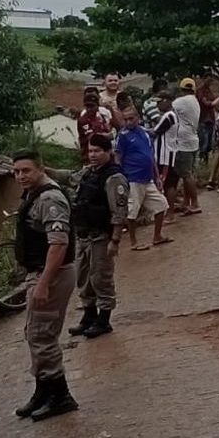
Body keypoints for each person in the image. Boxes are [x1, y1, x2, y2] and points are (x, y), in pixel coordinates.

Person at [11, 150, 78, 421]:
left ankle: (60, 396)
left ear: (40, 169)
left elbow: (58, 244)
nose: (20, 176)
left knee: (42, 335)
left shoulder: (50, 198)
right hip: (41, 273)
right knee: (34, 332)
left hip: (53, 274)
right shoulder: (33, 195)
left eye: (26, 170)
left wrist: (43, 283)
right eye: (16, 172)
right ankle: (43, 391)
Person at [65, 135, 128, 339]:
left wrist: (115, 240)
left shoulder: (114, 177)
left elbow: (119, 212)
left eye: (97, 151)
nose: (93, 155)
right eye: (90, 151)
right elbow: (68, 177)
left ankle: (104, 320)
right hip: (83, 235)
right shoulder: (88, 173)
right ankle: (89, 316)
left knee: (101, 277)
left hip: (101, 237)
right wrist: (43, 171)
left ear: (108, 152)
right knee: (83, 278)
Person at [116, 106, 173, 251]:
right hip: (133, 178)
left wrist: (156, 176)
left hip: (147, 178)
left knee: (161, 204)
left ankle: (157, 236)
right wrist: (121, 176)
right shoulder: (123, 136)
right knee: (132, 210)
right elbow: (118, 157)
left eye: (131, 118)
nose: (128, 122)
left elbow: (150, 155)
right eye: (125, 119)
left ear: (138, 118)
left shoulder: (144, 133)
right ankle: (133, 241)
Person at [172, 78, 202, 215]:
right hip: (192, 139)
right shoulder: (194, 101)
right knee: (187, 174)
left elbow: (167, 107)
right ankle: (186, 202)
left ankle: (195, 203)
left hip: (183, 142)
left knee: (186, 174)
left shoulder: (179, 102)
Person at [152, 92, 180, 223]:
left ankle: (170, 213)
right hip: (168, 154)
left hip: (165, 156)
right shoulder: (172, 115)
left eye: (160, 101)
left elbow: (154, 132)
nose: (157, 105)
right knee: (169, 184)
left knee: (168, 184)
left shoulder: (168, 116)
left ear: (167, 101)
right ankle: (168, 212)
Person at [77, 92, 112, 162]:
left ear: (97, 106)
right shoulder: (83, 120)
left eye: (92, 106)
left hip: (103, 155)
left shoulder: (100, 117)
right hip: (89, 157)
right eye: (87, 106)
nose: (89, 109)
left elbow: (107, 129)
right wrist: (107, 136)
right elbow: (92, 137)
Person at [196, 77, 217, 162]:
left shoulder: (208, 90)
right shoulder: (200, 91)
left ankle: (206, 161)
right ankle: (202, 160)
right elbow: (205, 102)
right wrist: (214, 103)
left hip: (210, 119)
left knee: (209, 143)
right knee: (204, 141)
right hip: (203, 119)